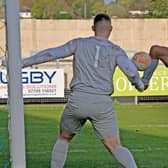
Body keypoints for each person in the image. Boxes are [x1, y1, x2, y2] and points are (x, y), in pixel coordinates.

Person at [21, 13, 144, 168]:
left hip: (78, 99)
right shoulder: (116, 50)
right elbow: (131, 72)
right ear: (110, 29)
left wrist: (22, 63)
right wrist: (139, 85)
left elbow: (51, 54)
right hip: (101, 102)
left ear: (93, 28)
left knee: (64, 138)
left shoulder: (79, 43)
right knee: (114, 145)